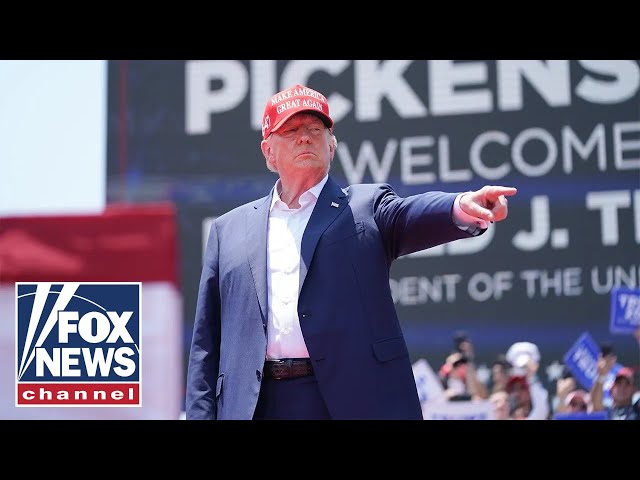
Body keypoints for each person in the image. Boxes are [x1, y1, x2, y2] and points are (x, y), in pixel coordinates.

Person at [185, 83, 517, 420]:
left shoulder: (364, 207)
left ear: (332, 145)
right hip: (255, 405)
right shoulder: (229, 230)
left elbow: (410, 215)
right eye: (291, 130)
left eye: (315, 129)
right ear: (268, 151)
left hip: (347, 400)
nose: (305, 137)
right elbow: (206, 347)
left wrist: (462, 206)